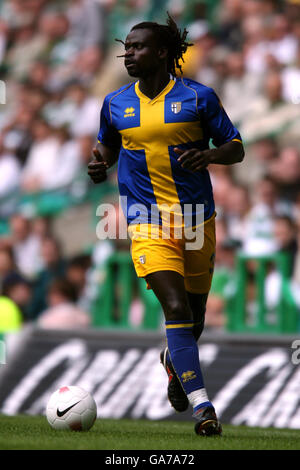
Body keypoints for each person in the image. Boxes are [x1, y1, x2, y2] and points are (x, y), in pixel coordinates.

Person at [88, 13, 244, 436]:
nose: (129, 55)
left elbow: (235, 147)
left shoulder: (199, 97)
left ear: (162, 52)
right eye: (126, 49)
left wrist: (211, 156)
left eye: (138, 47)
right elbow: (107, 142)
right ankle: (203, 407)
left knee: (193, 318)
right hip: (146, 220)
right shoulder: (116, 102)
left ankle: (173, 363)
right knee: (174, 307)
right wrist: (100, 161)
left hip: (196, 219)